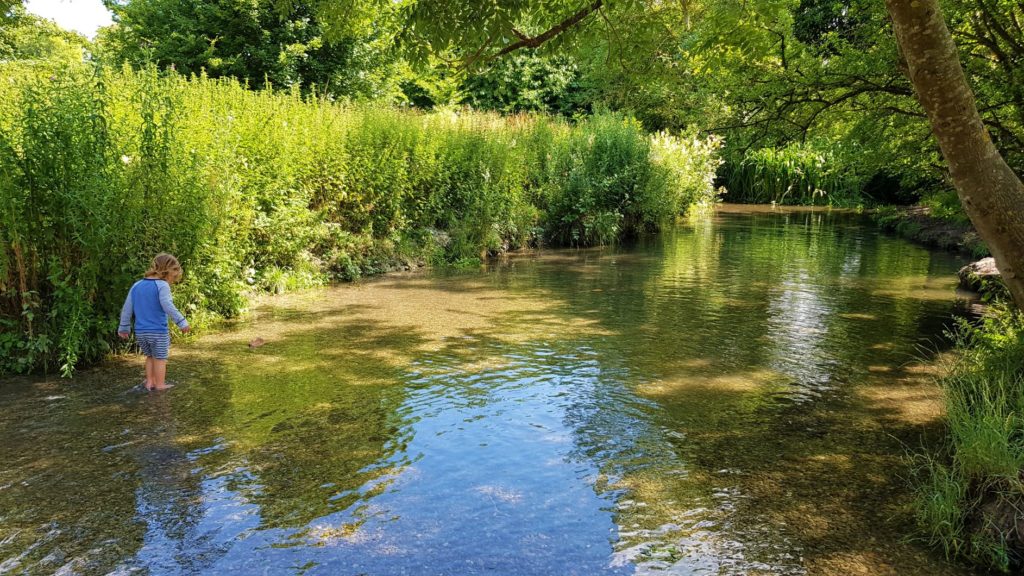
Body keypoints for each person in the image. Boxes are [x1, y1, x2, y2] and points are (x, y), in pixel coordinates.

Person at [118, 253, 191, 391]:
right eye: (173, 277)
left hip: (141, 332)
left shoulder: (137, 285)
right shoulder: (162, 285)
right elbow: (167, 305)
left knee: (150, 356)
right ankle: (160, 385)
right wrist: (181, 322)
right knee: (160, 358)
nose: (172, 281)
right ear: (167, 271)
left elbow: (127, 308)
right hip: (158, 331)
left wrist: (124, 327)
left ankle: (149, 382)